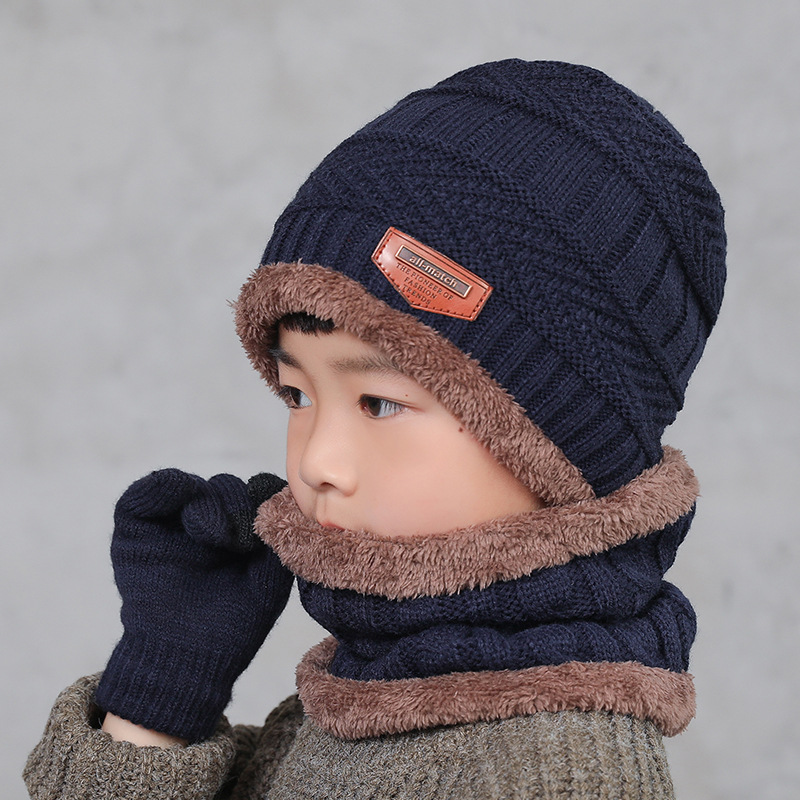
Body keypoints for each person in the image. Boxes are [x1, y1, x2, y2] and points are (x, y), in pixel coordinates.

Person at [24, 58, 726, 799]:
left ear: (559, 444)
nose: (317, 463)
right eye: (297, 394)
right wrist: (161, 689)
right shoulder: (365, 696)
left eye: (379, 403)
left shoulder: (553, 775)